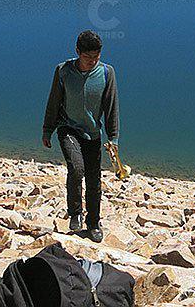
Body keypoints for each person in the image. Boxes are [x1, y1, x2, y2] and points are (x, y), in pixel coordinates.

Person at [41, 30, 120, 243]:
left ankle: (93, 223)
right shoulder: (63, 71)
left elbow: (111, 106)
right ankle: (75, 212)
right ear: (77, 52)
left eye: (96, 57)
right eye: (87, 57)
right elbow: (54, 101)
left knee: (94, 180)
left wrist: (113, 138)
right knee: (76, 168)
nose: (92, 62)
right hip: (68, 128)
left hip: (93, 133)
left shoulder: (106, 73)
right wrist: (47, 129)